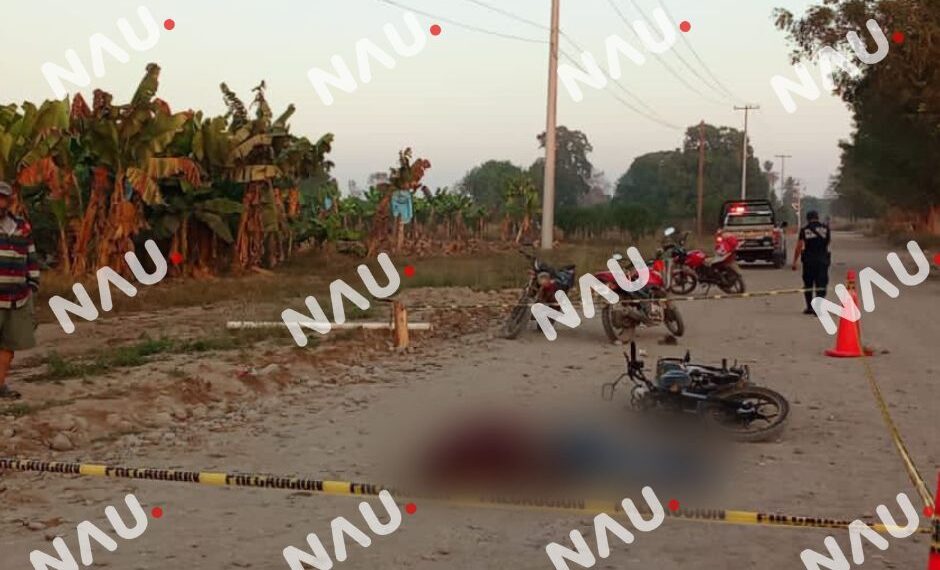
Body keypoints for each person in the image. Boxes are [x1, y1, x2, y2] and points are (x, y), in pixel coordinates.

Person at [0, 181, 39, 399]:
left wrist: (33, 283)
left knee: (8, 345)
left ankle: (0, 384)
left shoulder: (22, 227)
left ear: (9, 201)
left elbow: (31, 257)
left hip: (18, 298)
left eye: (2, 198)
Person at [792, 210, 831, 315]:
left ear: (807, 218)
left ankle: (809, 307)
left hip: (809, 261)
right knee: (821, 284)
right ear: (817, 217)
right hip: (822, 260)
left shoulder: (804, 230)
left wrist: (794, 261)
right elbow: (827, 244)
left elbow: (799, 246)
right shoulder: (825, 229)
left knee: (808, 284)